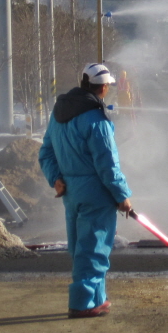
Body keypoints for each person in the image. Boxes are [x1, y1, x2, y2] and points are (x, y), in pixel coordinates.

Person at [38, 63, 132, 319]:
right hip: (95, 193)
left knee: (81, 248)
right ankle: (83, 303)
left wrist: (55, 178)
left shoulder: (59, 114)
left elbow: (46, 152)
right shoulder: (96, 120)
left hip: (71, 193)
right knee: (94, 250)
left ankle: (97, 298)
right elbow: (107, 164)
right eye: (108, 86)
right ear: (103, 88)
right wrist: (121, 195)